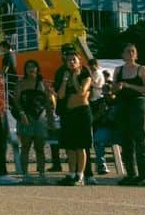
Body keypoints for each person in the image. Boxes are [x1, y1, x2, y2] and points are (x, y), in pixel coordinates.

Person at [114, 42, 145, 185]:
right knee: (125, 140)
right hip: (123, 105)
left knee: (140, 139)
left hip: (138, 104)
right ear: (122, 55)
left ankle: (144, 175)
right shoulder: (118, 70)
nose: (130, 54)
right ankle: (131, 173)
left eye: (133, 51)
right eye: (127, 51)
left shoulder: (142, 69)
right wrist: (115, 88)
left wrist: (129, 85)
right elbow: (114, 89)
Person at [53, 48, 92, 185]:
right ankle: (71, 173)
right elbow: (61, 95)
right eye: (68, 60)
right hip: (68, 114)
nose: (71, 62)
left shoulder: (85, 75)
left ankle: (80, 175)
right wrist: (64, 80)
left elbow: (81, 92)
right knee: (70, 146)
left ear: (79, 61)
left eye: (73, 60)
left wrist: (75, 77)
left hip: (82, 113)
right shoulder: (63, 74)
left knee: (80, 146)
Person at [14, 58, 53, 182]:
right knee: (25, 147)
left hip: (40, 118)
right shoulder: (21, 83)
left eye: (33, 66)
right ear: (25, 69)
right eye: (28, 67)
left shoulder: (43, 84)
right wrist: (21, 114)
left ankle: (42, 173)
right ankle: (25, 174)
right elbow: (16, 100)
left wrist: (50, 117)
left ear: (37, 69)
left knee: (40, 147)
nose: (31, 69)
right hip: (26, 117)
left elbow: (48, 102)